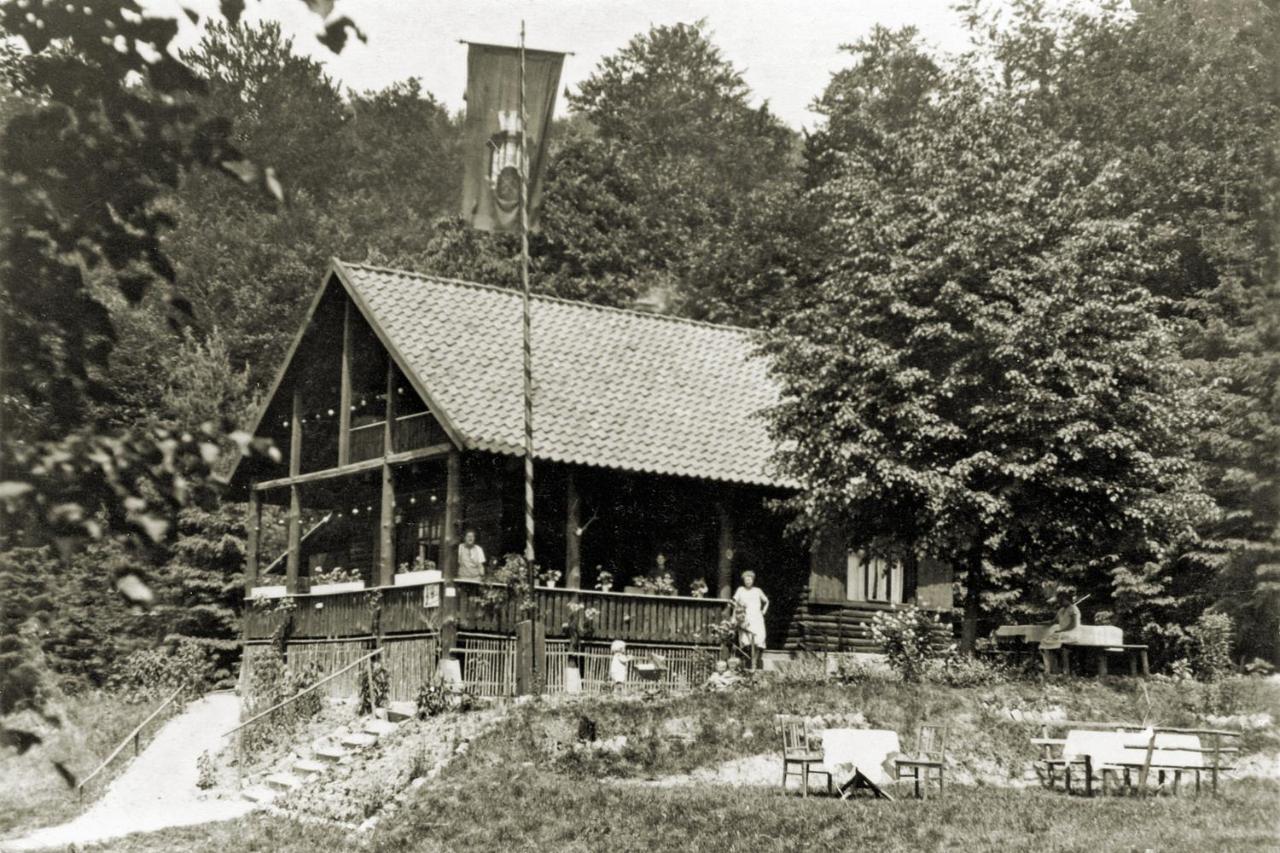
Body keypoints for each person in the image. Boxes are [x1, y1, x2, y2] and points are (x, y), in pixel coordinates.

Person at [732, 570, 769, 668]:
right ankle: (748, 663)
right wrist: (735, 617)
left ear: (753, 580)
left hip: (757, 618)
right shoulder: (740, 590)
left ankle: (755, 663)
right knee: (746, 640)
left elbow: (766, 601)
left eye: (750, 579)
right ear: (743, 580)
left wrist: (764, 610)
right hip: (745, 618)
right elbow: (734, 603)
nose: (748, 581)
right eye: (746, 579)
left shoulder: (757, 590)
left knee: (758, 639)